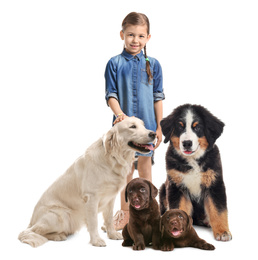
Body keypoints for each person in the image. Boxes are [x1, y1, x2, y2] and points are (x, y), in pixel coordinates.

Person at [104, 12, 165, 230]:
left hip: (147, 127)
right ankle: (125, 214)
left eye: (140, 36)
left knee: (145, 171)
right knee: (125, 172)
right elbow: (111, 94)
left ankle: (150, 215)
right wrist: (120, 114)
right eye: (130, 35)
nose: (135, 40)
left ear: (148, 37)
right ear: (122, 34)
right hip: (125, 133)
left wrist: (159, 126)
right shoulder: (114, 63)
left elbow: (158, 97)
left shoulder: (154, 65)